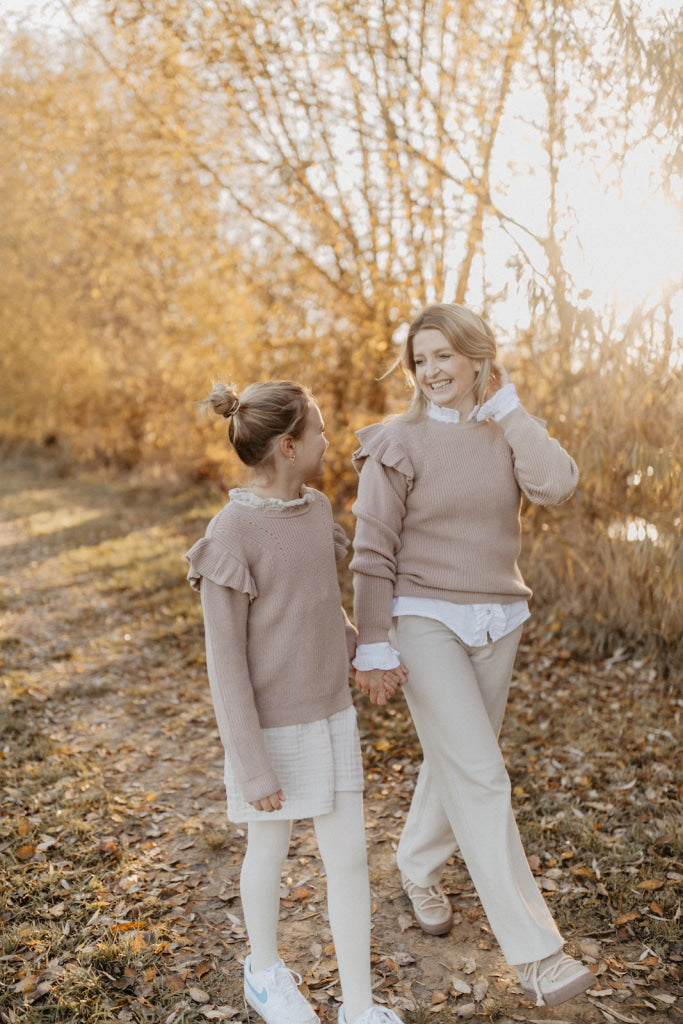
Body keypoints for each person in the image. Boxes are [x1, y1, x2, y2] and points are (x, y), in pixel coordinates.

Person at [350, 304, 594, 1009]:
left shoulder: (507, 430)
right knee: (482, 776)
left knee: (460, 759)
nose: (429, 371)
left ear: (477, 358)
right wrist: (372, 642)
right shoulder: (396, 442)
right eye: (418, 359)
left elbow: (558, 485)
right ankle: (537, 955)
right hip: (422, 617)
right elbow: (371, 553)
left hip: (498, 618)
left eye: (443, 356)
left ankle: (417, 863)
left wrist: (511, 409)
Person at [186, 380, 404, 1024]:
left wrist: (361, 651)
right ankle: (263, 971)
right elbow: (224, 662)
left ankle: (359, 1006)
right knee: (270, 852)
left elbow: (316, 604)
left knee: (351, 859)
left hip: (331, 715)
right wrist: (252, 766)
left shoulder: (315, 511)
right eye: (319, 431)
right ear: (288, 446)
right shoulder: (230, 532)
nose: (328, 441)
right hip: (269, 731)